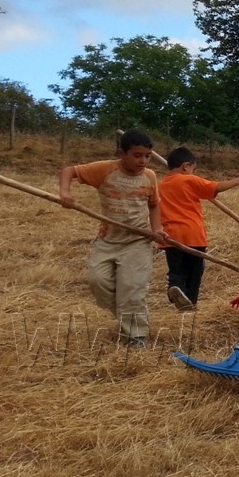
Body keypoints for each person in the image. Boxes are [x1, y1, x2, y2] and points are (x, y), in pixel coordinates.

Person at [59, 129, 166, 348]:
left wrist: (157, 228)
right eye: (137, 155)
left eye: (147, 156)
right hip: (108, 240)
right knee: (98, 282)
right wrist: (65, 193)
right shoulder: (105, 170)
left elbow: (154, 204)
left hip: (138, 241)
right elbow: (69, 171)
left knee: (132, 289)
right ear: (121, 153)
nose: (143, 161)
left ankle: (137, 336)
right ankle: (126, 313)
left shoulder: (150, 176)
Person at [156, 147, 239, 310]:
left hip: (170, 237)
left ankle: (175, 286)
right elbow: (216, 187)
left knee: (177, 270)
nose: (193, 173)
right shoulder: (188, 180)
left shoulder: (160, 185)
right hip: (192, 235)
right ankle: (190, 303)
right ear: (186, 166)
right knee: (194, 273)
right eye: (193, 169)